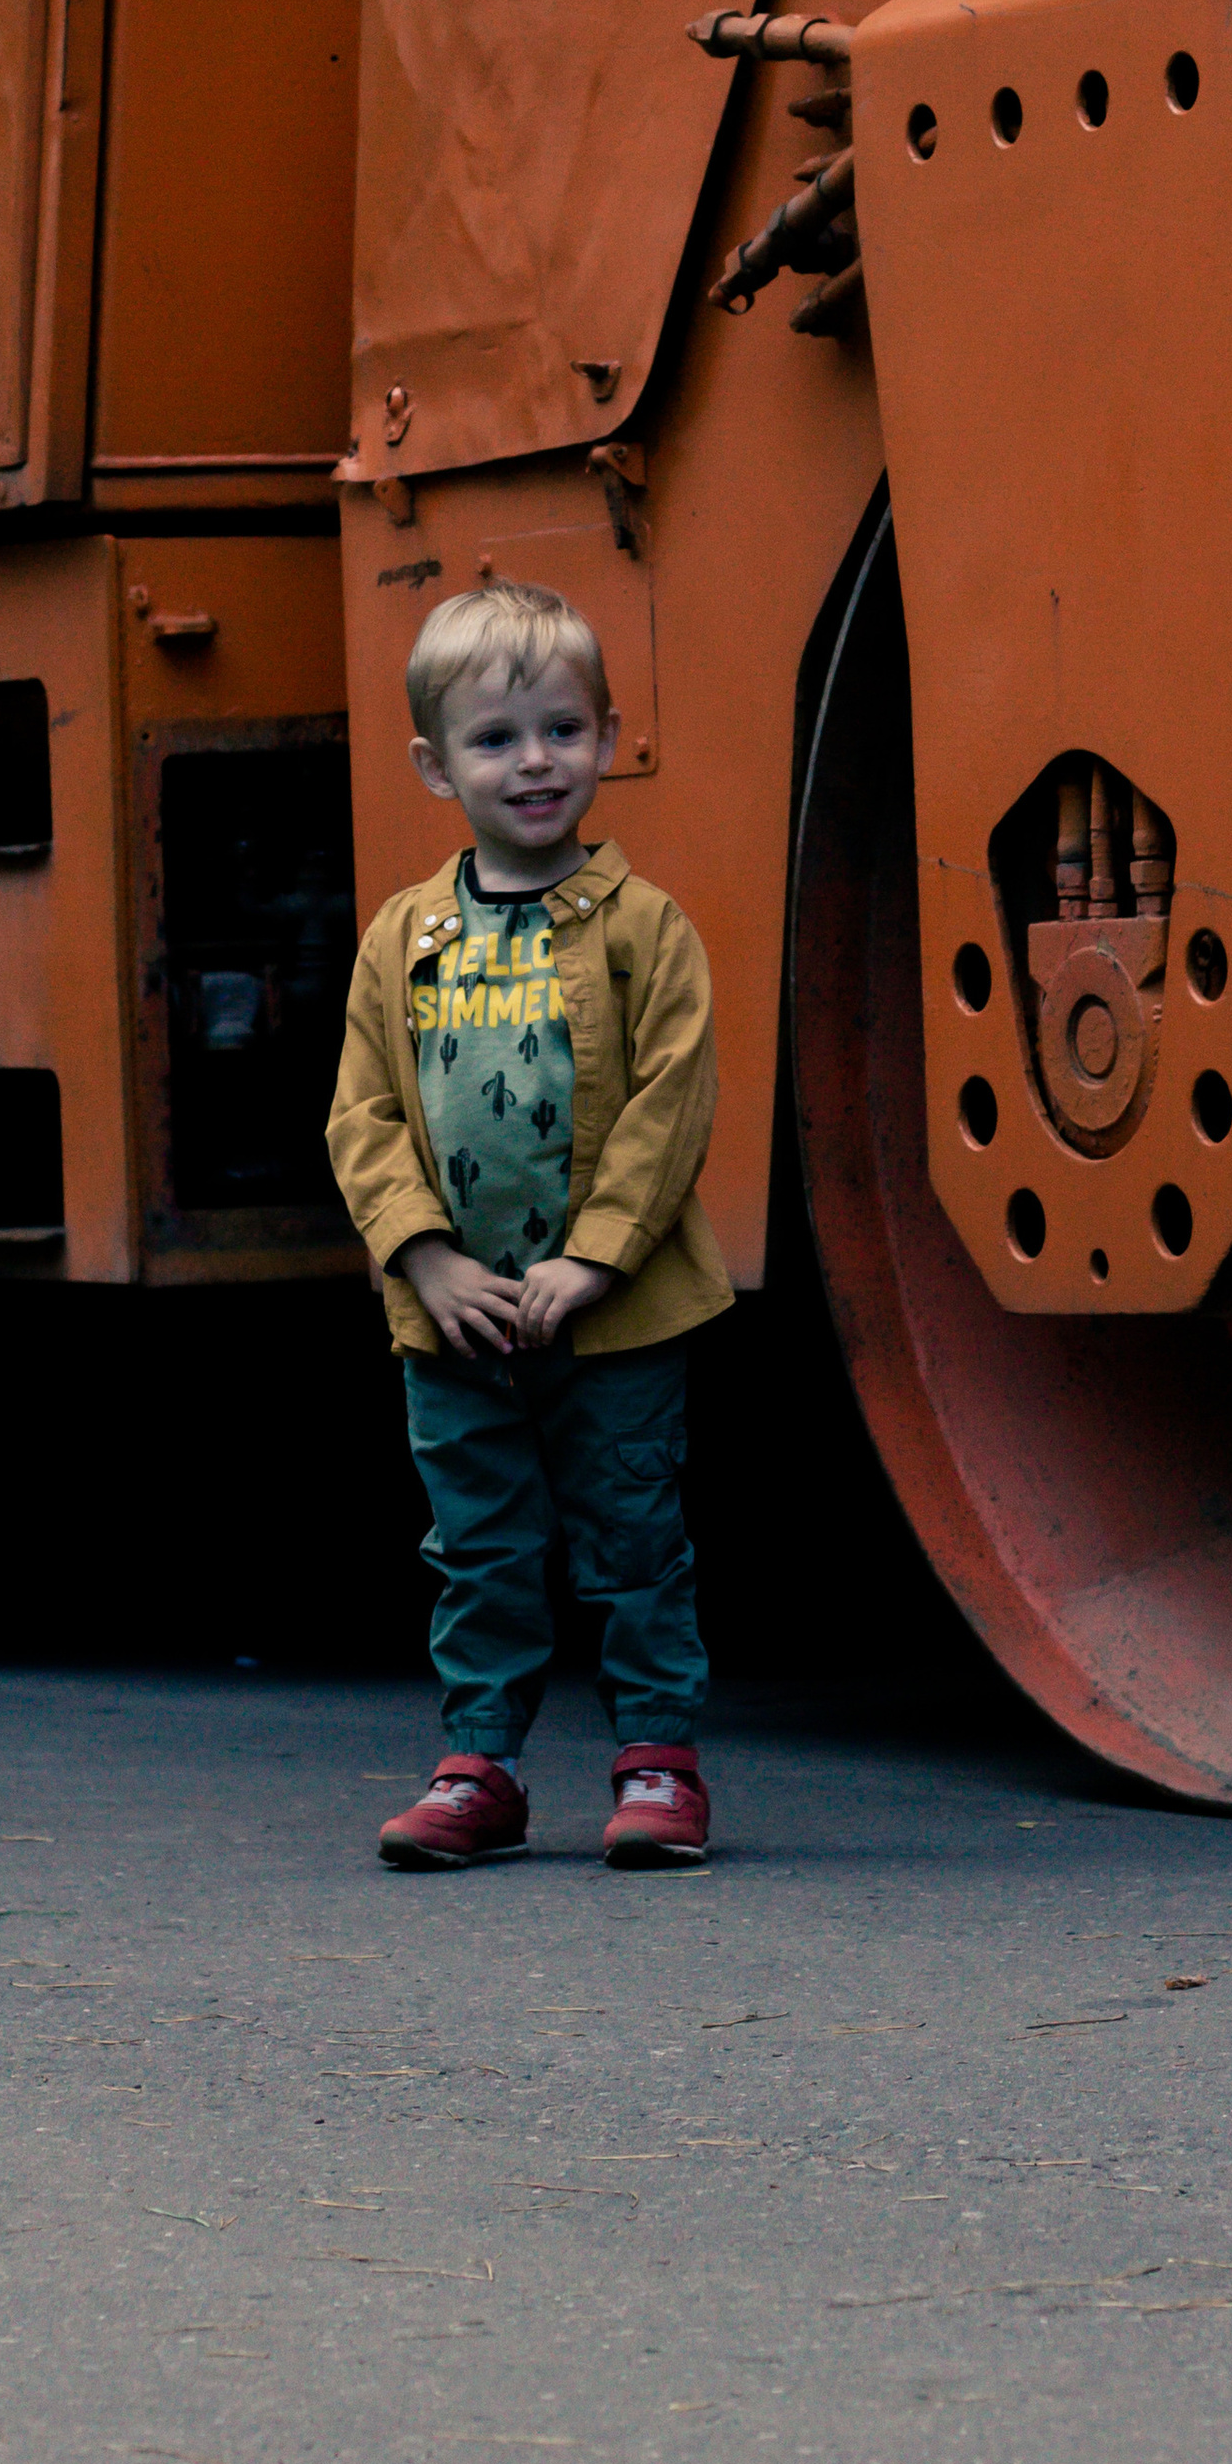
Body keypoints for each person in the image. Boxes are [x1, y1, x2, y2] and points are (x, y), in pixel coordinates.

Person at [327, 578, 732, 1872]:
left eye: (562, 728)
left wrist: (595, 1258)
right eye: (496, 740)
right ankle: (481, 1768)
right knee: (480, 1549)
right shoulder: (403, 940)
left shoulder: (643, 929)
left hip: (612, 1320)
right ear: (433, 766)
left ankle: (659, 1764)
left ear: (609, 737)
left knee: (632, 1541)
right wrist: (427, 1258)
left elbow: (671, 1106)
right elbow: (364, 1114)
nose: (535, 761)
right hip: (454, 1325)